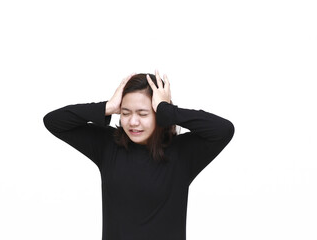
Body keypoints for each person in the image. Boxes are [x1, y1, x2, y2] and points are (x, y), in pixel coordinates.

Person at [43, 70, 234, 240]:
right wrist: (107, 107)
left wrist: (167, 110)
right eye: (125, 113)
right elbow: (53, 121)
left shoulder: (183, 152)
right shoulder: (108, 146)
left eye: (143, 114)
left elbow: (223, 130)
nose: (132, 122)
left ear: (159, 115)